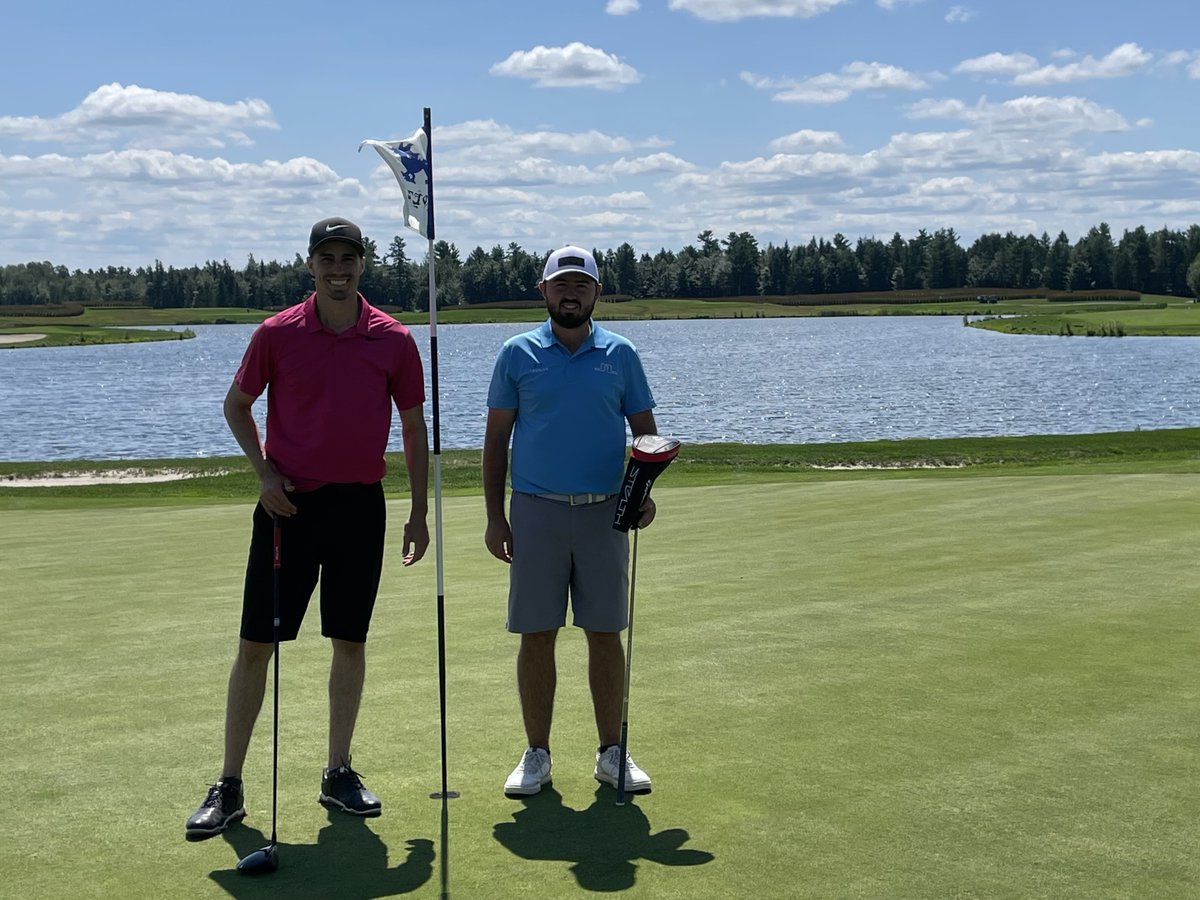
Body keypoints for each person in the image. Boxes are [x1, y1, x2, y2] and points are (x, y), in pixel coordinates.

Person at [185, 217, 430, 839]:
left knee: (349, 641)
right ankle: (230, 783)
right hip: (286, 510)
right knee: (255, 646)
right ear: (312, 264)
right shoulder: (277, 333)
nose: (338, 269)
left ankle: (337, 771)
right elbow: (237, 407)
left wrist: (419, 511)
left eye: (349, 258)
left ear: (362, 265)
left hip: (359, 509)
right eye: (328, 258)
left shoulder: (394, 340)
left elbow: (412, 428)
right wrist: (265, 475)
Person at [483, 244, 660, 797]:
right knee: (536, 634)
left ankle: (613, 754)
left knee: (605, 634)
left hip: (605, 514)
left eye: (581, 284)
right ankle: (537, 754)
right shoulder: (516, 353)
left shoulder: (621, 354)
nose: (571, 292)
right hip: (535, 511)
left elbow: (647, 437)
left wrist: (643, 494)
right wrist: (495, 517)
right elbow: (495, 443)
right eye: (561, 284)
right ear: (544, 291)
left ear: (596, 293)